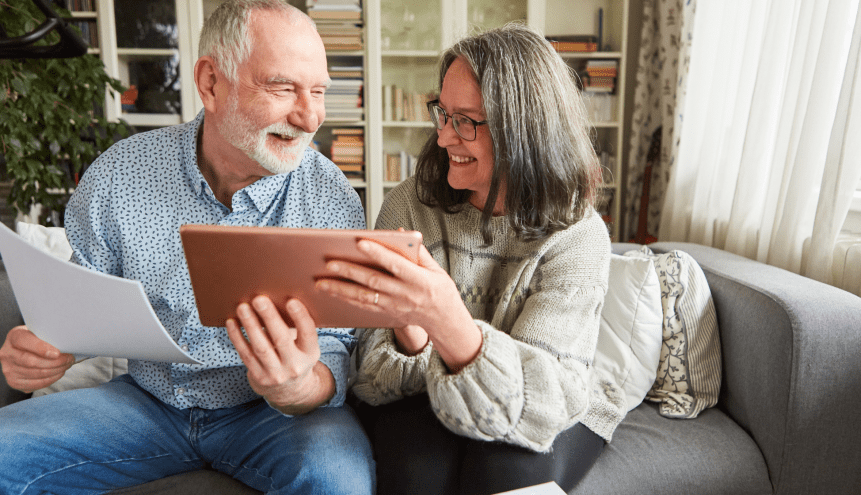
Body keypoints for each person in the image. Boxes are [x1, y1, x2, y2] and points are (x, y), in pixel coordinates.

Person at [0, 1, 375, 493]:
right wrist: (50, 348)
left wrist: (301, 387)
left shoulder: (330, 197)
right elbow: (85, 300)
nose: (310, 117)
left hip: (276, 418)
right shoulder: (121, 174)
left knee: (337, 481)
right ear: (210, 83)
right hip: (147, 403)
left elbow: (340, 346)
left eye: (319, 91)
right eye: (283, 88)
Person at [315, 23, 628, 495]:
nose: (443, 139)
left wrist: (446, 318)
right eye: (443, 114)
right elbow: (372, 378)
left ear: (524, 129)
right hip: (423, 395)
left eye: (466, 121)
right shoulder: (408, 207)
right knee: (415, 471)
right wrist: (413, 335)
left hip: (550, 406)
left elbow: (541, 405)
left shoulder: (578, 235)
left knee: (503, 472)